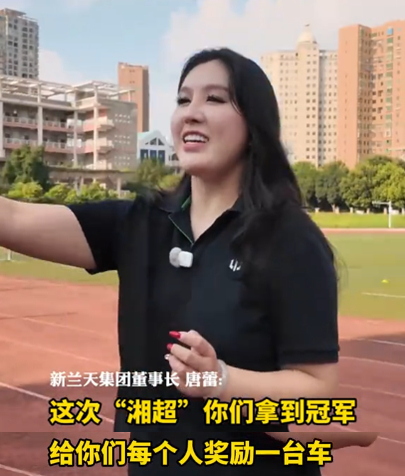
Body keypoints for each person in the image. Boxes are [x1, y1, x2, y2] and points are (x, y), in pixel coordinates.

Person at [0, 47, 377, 474]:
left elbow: (319, 391)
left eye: (214, 99)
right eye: (183, 99)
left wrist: (221, 380)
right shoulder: (140, 224)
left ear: (253, 125)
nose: (191, 113)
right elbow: (13, 219)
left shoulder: (288, 240)